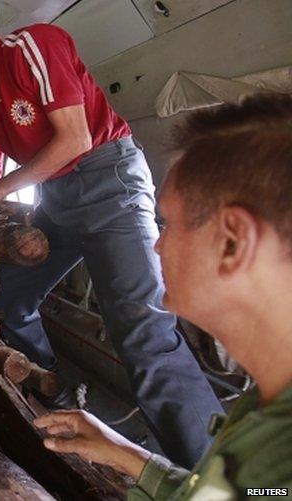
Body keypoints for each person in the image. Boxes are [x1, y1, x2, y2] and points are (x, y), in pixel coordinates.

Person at [0, 0, 222, 467]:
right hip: (57, 199)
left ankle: (219, 480)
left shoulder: (33, 47)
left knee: (143, 335)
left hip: (108, 186)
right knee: (9, 300)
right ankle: (57, 391)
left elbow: (75, 138)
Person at [35, 93, 292, 500]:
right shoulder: (266, 399)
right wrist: (129, 456)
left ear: (234, 243)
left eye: (168, 223)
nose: (157, 247)